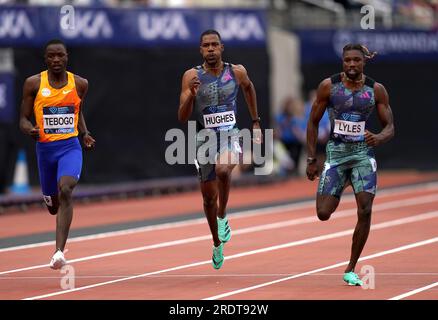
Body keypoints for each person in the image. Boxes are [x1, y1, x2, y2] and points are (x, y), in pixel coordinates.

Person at [306, 43, 394, 286]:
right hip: (336, 153)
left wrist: (378, 138)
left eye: (356, 60)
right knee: (323, 213)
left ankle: (351, 267)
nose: (352, 65)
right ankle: (344, 180)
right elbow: (313, 122)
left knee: (365, 209)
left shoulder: (376, 90)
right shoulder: (329, 86)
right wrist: (312, 159)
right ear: (342, 62)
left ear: (364, 61)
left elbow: (390, 127)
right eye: (348, 61)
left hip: (363, 154)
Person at [178, 29, 261, 269]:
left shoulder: (236, 71)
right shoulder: (191, 76)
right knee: (207, 199)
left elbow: (248, 88)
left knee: (224, 170)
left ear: (222, 47)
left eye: (215, 44)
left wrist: (255, 120)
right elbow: (182, 117)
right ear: (200, 49)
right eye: (206, 45)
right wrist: (191, 96)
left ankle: (223, 215)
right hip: (205, 139)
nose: (211, 49)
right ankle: (216, 242)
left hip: (230, 135)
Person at [19, 39, 95, 269]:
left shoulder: (80, 83)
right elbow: (23, 118)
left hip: (69, 147)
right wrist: (29, 129)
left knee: (66, 189)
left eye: (60, 55)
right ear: (45, 59)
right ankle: (51, 203)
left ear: (67, 57)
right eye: (51, 56)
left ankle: (59, 252)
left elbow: (77, 110)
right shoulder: (33, 83)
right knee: (53, 204)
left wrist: (85, 133)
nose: (56, 60)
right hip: (45, 150)